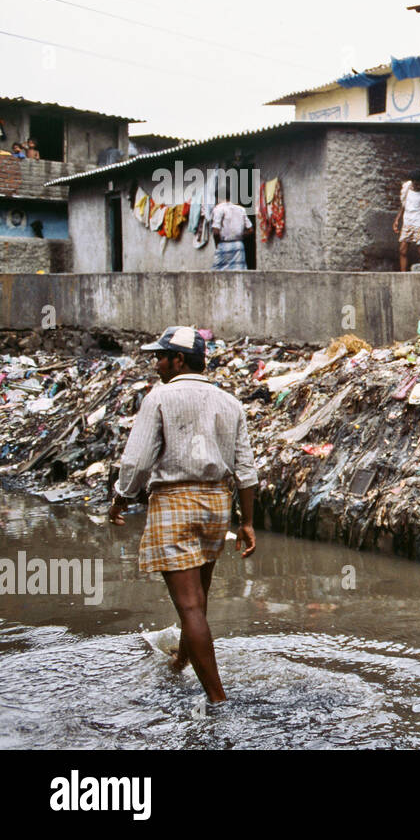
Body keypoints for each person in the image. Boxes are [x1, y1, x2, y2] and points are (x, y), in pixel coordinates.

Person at [109, 326, 258, 704]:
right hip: (216, 506)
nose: (156, 364)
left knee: (189, 605)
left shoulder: (159, 397)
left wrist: (121, 498)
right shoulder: (230, 402)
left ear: (179, 360)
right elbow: (246, 469)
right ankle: (181, 661)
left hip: (175, 502)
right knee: (198, 600)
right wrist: (247, 522)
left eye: (160, 357)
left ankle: (217, 698)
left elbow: (137, 460)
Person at [393, 169, 420, 271]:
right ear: (412, 182)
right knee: (402, 250)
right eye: (416, 184)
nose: (418, 186)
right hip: (408, 222)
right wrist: (397, 220)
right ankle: (403, 274)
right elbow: (403, 206)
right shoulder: (407, 188)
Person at [211, 199, 252, 269]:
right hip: (239, 245)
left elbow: (216, 232)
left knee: (218, 273)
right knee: (239, 272)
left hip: (224, 244)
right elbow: (250, 230)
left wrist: (218, 245)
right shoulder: (241, 209)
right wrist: (239, 234)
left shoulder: (219, 208)